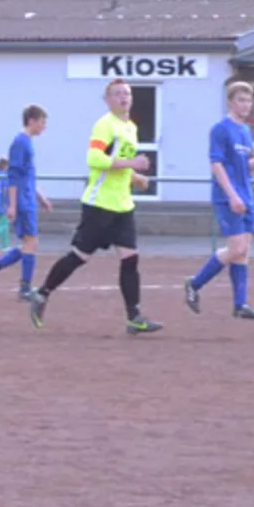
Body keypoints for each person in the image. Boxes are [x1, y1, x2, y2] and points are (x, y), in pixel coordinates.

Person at [28, 80, 161, 335]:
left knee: (130, 258)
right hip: (99, 205)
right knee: (80, 256)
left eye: (128, 94)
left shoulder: (130, 127)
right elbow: (95, 159)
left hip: (123, 205)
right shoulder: (105, 125)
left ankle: (134, 317)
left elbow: (117, 164)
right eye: (118, 94)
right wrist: (133, 162)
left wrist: (135, 176)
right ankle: (42, 293)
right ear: (108, 99)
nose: (124, 98)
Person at [183, 80, 254, 320]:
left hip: (246, 193)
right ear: (230, 102)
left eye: (249, 100)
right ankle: (194, 284)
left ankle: (241, 304)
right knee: (236, 247)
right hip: (229, 196)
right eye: (241, 100)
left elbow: (242, 167)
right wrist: (232, 195)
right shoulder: (221, 129)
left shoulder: (246, 131)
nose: (246, 105)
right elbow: (216, 165)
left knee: (243, 251)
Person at [0, 105, 52, 301]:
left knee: (28, 244)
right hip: (22, 201)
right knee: (31, 242)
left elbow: (27, 176)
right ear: (32, 120)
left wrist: (41, 197)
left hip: (27, 199)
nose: (44, 127)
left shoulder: (27, 142)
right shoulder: (20, 143)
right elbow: (13, 177)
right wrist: (11, 205)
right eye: (42, 122)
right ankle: (25, 288)